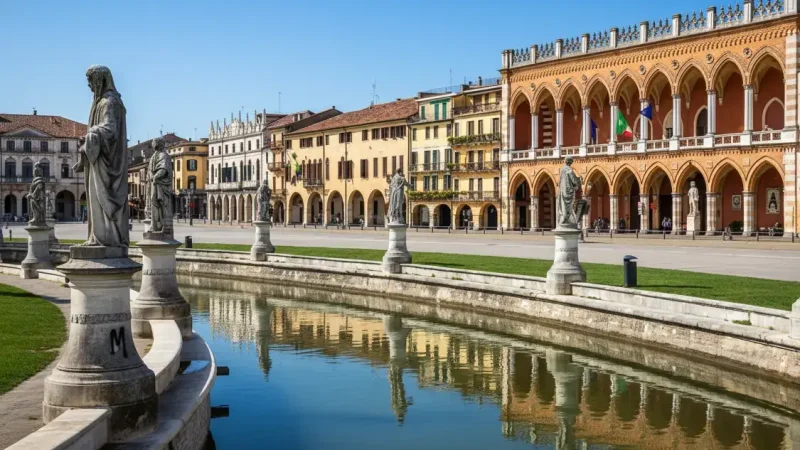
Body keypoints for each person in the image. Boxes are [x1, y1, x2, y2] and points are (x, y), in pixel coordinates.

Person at [73, 65, 129, 247]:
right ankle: (97, 236)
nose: (89, 86)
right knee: (95, 199)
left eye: (91, 81)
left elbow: (110, 129)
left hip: (106, 162)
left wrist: (91, 136)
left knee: (100, 199)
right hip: (98, 160)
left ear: (100, 80)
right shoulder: (100, 102)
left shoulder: (109, 102)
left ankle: (105, 237)